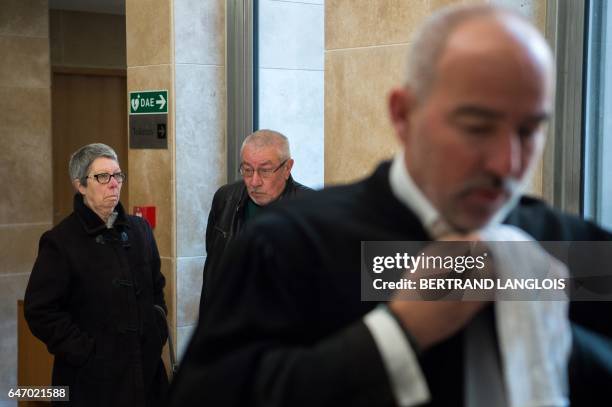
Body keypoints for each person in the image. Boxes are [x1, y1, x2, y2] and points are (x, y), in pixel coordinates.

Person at [168, 5, 612, 407]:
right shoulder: (289, 246)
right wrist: (396, 334)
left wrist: (550, 337)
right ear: (404, 115)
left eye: (530, 130)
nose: (507, 163)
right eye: (477, 127)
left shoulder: (563, 246)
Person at [24, 143, 168, 407]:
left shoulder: (139, 230)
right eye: (103, 177)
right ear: (80, 185)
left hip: (145, 373)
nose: (113, 184)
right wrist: (85, 351)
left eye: (117, 175)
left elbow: (156, 286)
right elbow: (40, 310)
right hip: (91, 381)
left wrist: (157, 328)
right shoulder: (60, 241)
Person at [200, 129, 310, 307]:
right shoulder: (225, 199)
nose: (254, 181)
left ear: (287, 168)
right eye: (247, 170)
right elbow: (214, 260)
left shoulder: (310, 209)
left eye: (265, 171)